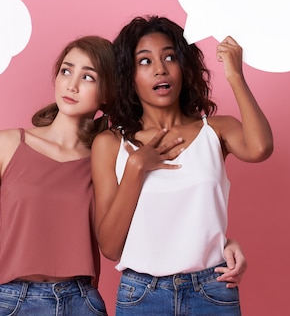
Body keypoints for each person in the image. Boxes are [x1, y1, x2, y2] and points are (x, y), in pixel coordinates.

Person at [91, 16, 273, 315]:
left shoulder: (216, 130)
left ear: (184, 68)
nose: (160, 68)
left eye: (170, 57)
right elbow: (110, 247)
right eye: (145, 61)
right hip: (142, 295)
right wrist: (136, 167)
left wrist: (235, 76)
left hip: (212, 289)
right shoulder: (111, 144)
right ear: (129, 75)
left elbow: (260, 148)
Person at [0, 36, 116, 315]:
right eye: (66, 70)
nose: (71, 85)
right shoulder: (8, 143)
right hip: (14, 301)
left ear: (108, 92)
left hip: (81, 302)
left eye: (88, 77)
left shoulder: (106, 158)